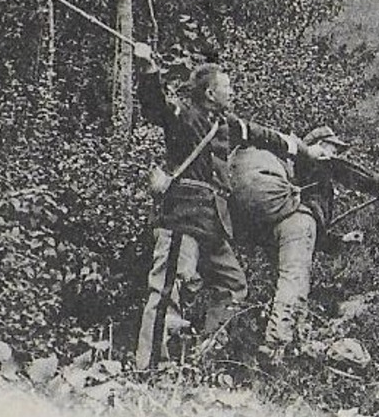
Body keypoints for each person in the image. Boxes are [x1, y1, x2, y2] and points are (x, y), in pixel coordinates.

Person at [131, 41, 333, 370]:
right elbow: (155, 107)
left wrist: (305, 151)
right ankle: (152, 367)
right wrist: (148, 69)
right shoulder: (185, 116)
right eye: (227, 87)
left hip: (212, 222)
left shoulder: (227, 125)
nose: (232, 91)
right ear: (210, 93)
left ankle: (202, 352)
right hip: (182, 216)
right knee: (169, 287)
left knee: (233, 285)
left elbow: (265, 136)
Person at [227, 125, 379, 364]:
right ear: (319, 145)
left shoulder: (290, 172)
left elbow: (309, 236)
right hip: (293, 222)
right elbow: (344, 171)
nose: (335, 153)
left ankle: (293, 340)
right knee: (294, 280)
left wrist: (339, 242)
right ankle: (275, 345)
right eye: (333, 147)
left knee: (287, 279)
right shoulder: (314, 160)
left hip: (265, 225)